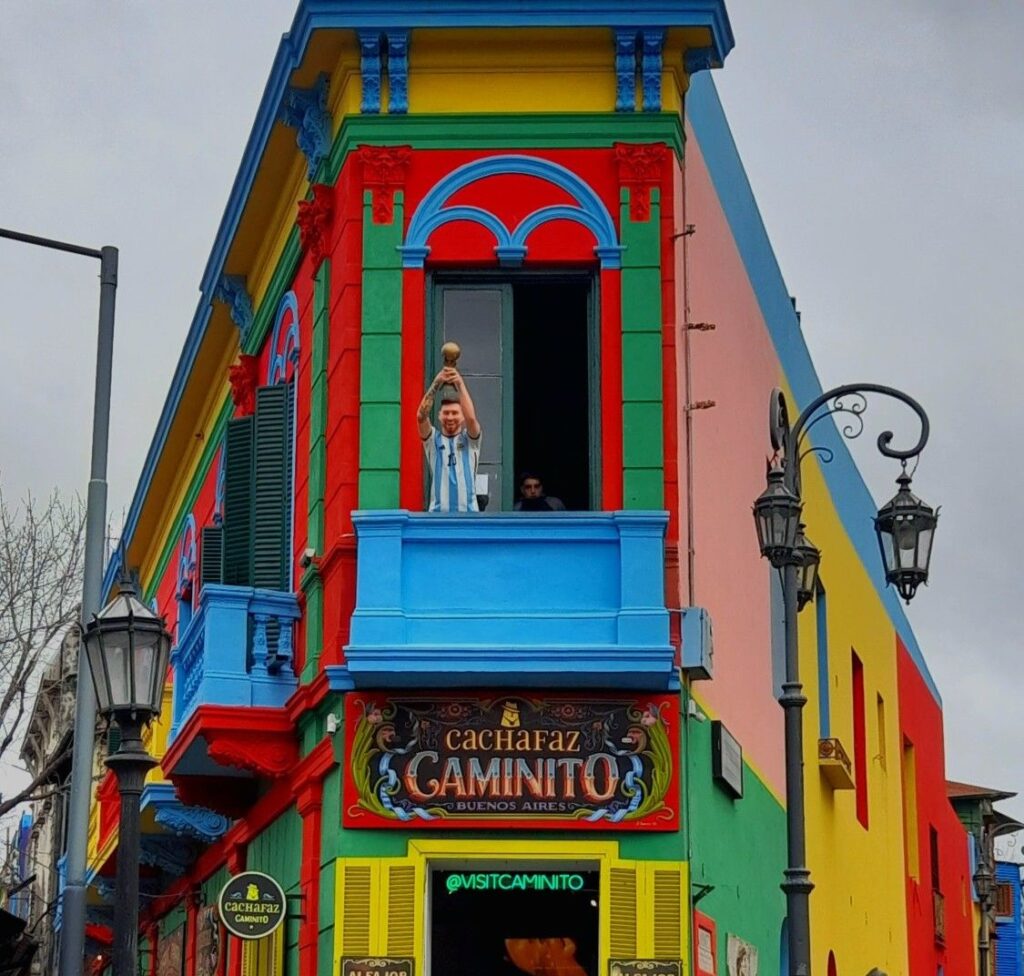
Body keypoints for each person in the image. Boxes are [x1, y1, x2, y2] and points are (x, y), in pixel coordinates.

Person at [417, 366, 482, 512]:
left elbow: (471, 419)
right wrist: (436, 383)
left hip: (469, 517)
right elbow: (421, 417)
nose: (450, 417)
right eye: (446, 413)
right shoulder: (433, 441)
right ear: (439, 416)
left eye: (454, 413)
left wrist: (459, 384)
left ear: (462, 416)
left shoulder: (470, 440)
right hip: (438, 519)